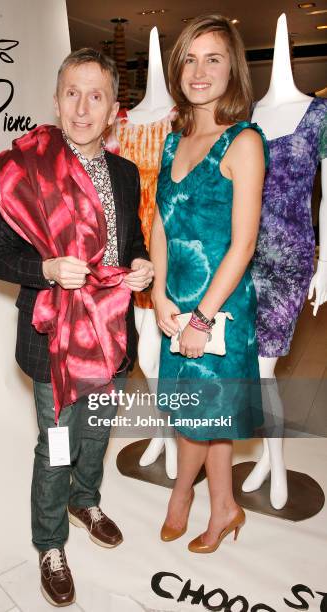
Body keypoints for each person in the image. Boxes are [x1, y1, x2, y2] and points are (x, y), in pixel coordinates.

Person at [0, 48, 153, 607]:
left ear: (112, 112)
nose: (83, 107)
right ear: (56, 102)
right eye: (72, 94)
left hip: (109, 333)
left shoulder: (125, 175)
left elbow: (131, 245)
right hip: (50, 337)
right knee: (57, 444)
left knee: (97, 431)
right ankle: (50, 542)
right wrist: (48, 270)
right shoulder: (27, 173)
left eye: (96, 96)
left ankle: (87, 499)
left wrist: (140, 266)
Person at [150, 15, 268, 554]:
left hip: (218, 310)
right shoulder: (175, 140)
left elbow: (244, 245)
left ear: (232, 69)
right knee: (196, 409)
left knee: (203, 412)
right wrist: (156, 294)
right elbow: (161, 222)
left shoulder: (243, 142)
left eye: (213, 58)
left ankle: (184, 495)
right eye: (189, 59)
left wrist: (200, 317)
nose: (199, 71)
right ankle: (224, 506)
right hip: (175, 304)